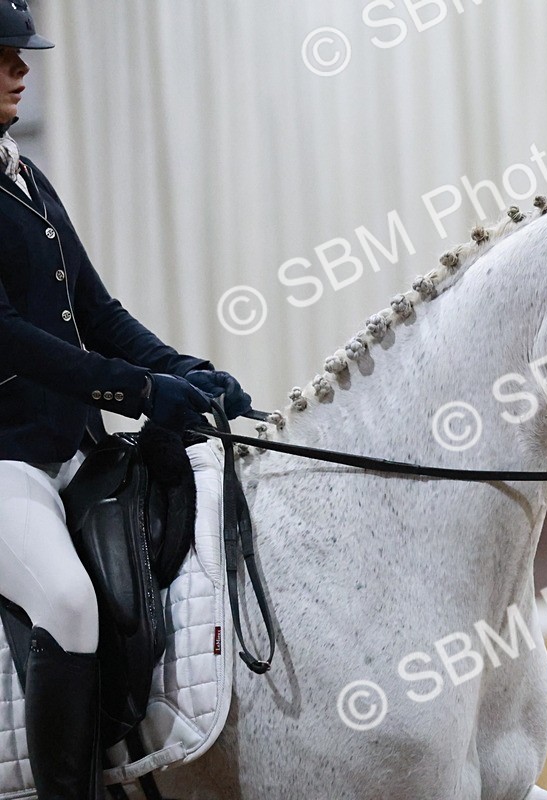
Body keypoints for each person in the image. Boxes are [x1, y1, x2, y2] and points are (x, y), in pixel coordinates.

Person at [0, 4, 251, 797]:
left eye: (21, 55)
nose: (22, 68)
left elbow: (96, 312)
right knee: (69, 603)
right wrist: (140, 391)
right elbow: (9, 336)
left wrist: (188, 369)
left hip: (73, 448)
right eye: (4, 56)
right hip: (7, 460)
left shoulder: (24, 176)